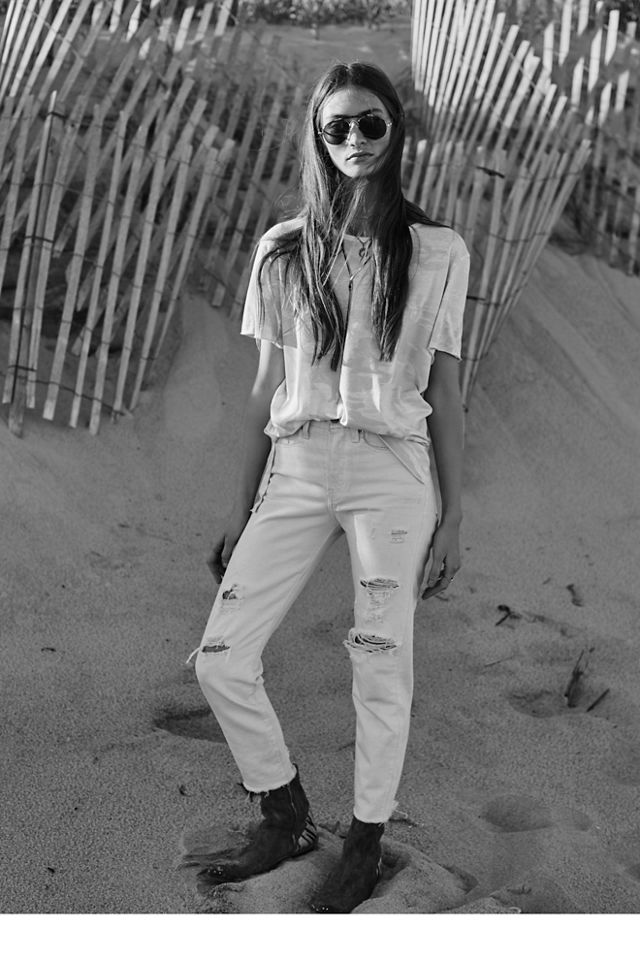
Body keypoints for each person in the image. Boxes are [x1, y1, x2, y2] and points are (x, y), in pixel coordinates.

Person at [193, 61, 469, 914]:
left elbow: (448, 388)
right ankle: (283, 813)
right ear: (317, 136)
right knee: (221, 657)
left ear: (396, 130)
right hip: (299, 462)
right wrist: (239, 508)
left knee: (382, 660)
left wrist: (455, 516)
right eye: (337, 126)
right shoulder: (281, 249)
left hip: (393, 471)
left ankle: (366, 841)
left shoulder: (439, 250)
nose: (354, 139)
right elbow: (263, 389)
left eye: (370, 123)